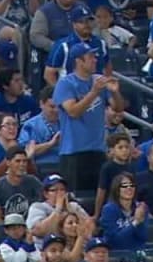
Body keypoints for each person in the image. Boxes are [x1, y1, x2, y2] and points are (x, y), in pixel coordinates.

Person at [53, 43, 125, 192]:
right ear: (79, 61)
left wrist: (116, 92)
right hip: (73, 152)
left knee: (99, 196)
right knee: (76, 200)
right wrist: (93, 92)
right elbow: (73, 111)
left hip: (98, 149)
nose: (95, 60)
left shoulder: (98, 80)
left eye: (95, 56)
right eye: (90, 57)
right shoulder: (65, 84)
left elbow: (118, 108)